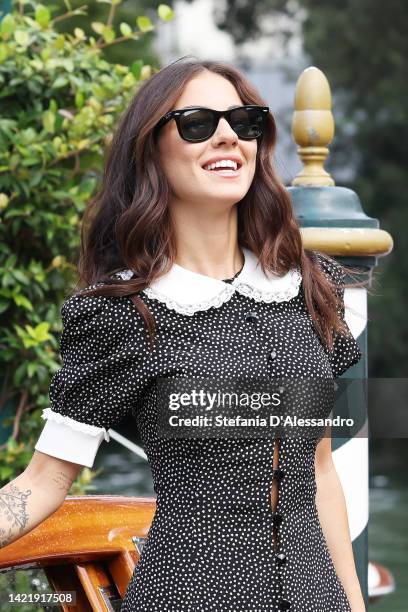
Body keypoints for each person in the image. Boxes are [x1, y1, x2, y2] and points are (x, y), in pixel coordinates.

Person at [0, 57, 366, 611]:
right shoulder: (122, 314)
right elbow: (46, 479)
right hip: (190, 595)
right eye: (196, 122)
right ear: (152, 150)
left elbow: (319, 469)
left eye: (244, 121)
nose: (226, 136)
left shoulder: (307, 286)